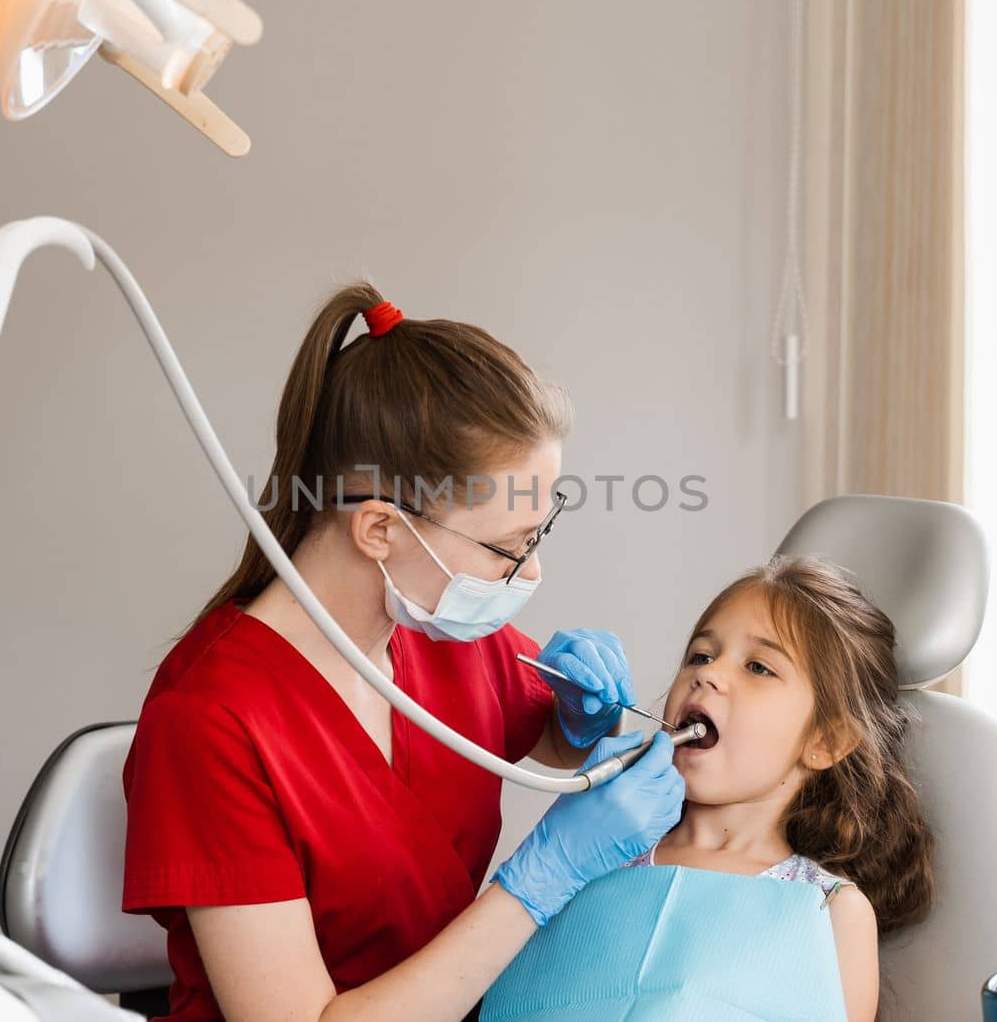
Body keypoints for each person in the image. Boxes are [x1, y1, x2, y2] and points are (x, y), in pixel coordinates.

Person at [121, 283, 685, 1022]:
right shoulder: (211, 722)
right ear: (380, 529)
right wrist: (538, 881)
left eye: (538, 535)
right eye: (507, 547)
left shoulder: (439, 630)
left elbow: (533, 732)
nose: (532, 575)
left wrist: (577, 723)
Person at [483, 555, 937, 1022]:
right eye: (700, 655)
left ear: (826, 741)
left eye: (759, 667)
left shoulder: (830, 910)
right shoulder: (591, 849)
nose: (708, 673)